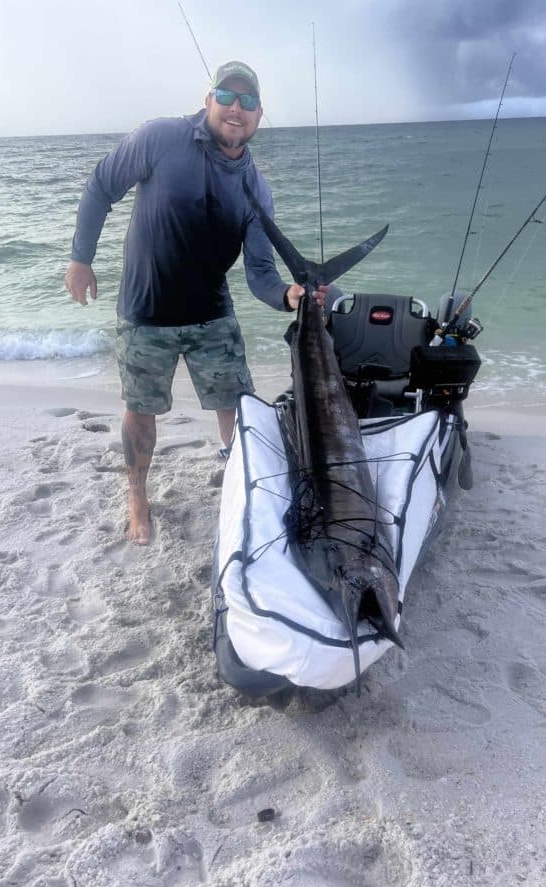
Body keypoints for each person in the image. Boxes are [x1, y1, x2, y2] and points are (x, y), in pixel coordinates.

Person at [65, 61, 324, 544]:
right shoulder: (160, 138)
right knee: (140, 410)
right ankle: (138, 496)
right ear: (208, 99)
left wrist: (289, 296)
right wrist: (81, 259)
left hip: (212, 314)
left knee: (237, 404)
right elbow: (102, 185)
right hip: (146, 312)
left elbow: (261, 273)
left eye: (248, 102)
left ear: (259, 116)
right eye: (227, 95)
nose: (236, 108)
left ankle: (239, 483)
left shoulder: (256, 190)